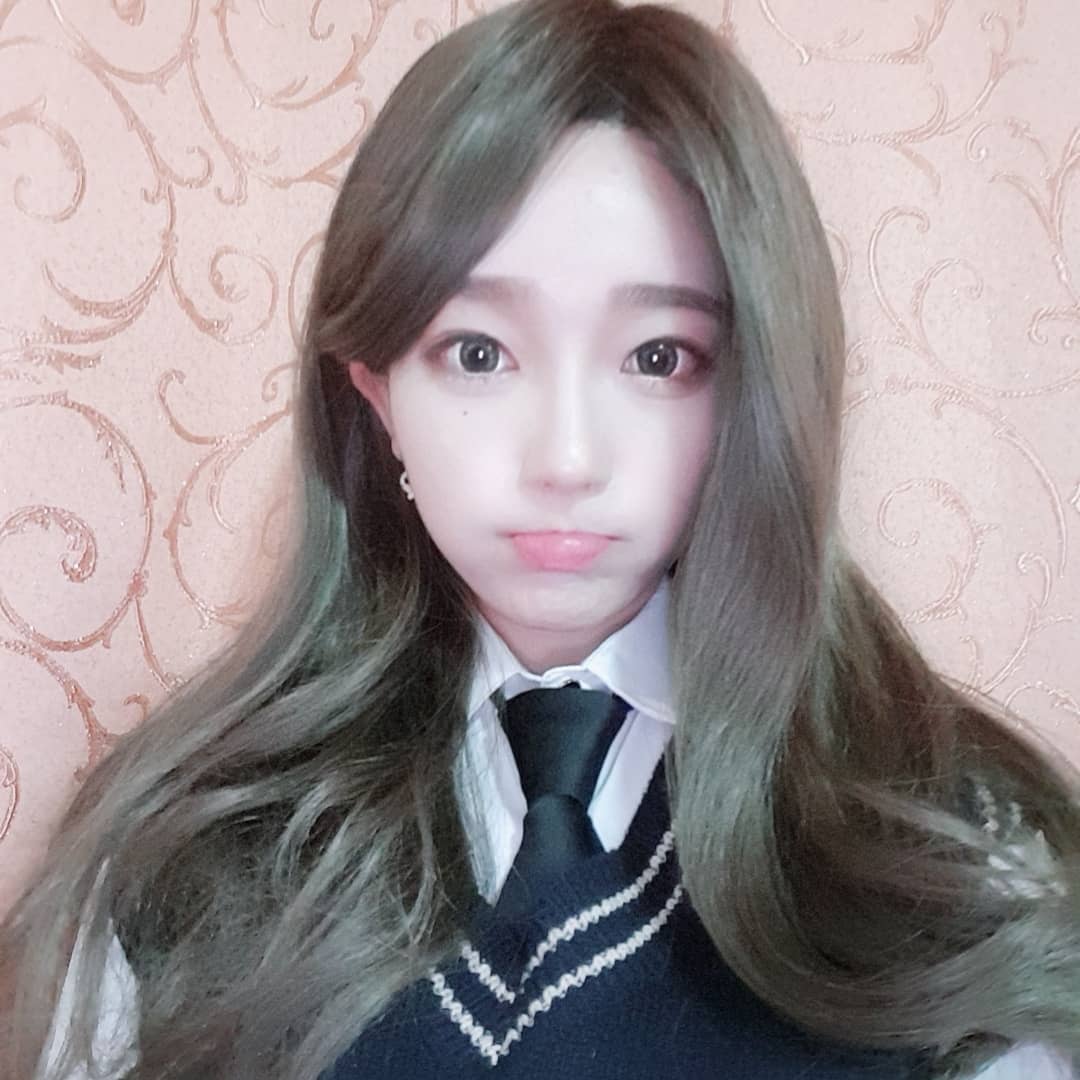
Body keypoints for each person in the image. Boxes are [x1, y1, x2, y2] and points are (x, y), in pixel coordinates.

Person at [3, 1, 1078, 1077]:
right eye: (477, 353)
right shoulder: (178, 861)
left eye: (659, 357)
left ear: (757, 389)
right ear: (377, 395)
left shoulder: (955, 857)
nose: (566, 458)